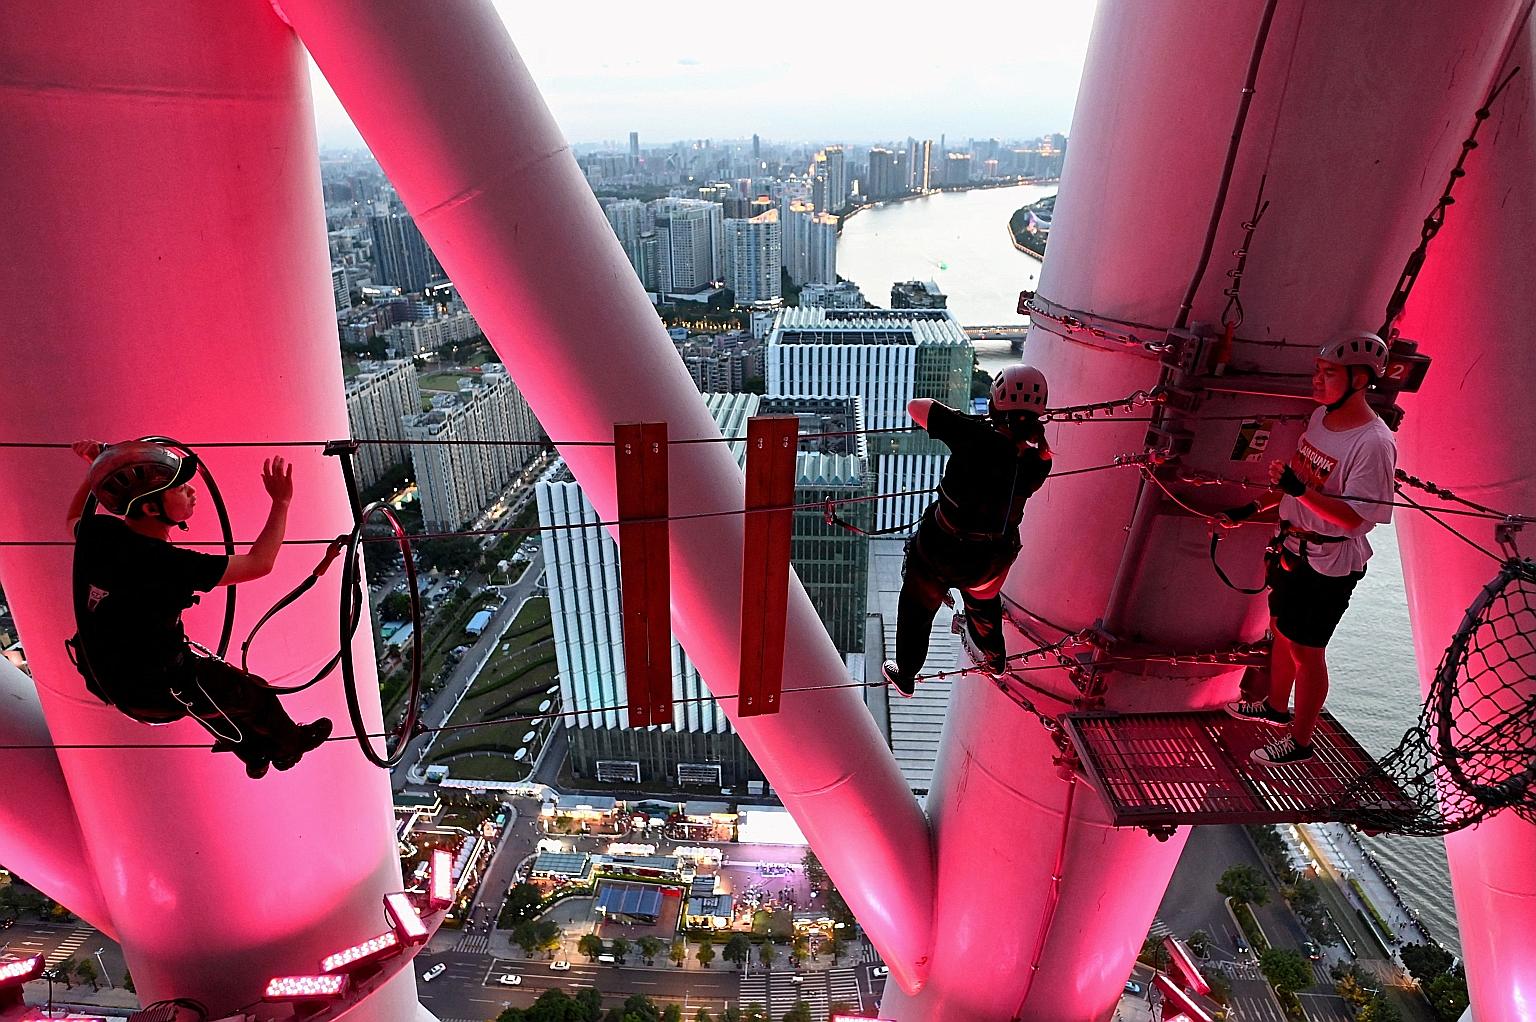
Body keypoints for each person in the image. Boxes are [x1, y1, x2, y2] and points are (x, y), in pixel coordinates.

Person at [67, 439, 332, 779]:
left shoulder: (98, 533)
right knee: (254, 695)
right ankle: (290, 746)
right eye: (179, 488)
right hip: (155, 684)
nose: (191, 491)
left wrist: (100, 469)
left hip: (106, 674)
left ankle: (254, 754)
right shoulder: (168, 563)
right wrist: (281, 502)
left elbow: (74, 517)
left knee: (215, 703)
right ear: (151, 509)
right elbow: (259, 563)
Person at [1222, 332, 1398, 766]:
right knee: (1282, 630)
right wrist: (1252, 507)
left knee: (1308, 651)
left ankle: (1301, 743)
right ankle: (1275, 707)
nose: (1317, 382)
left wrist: (1297, 491)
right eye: (1318, 372)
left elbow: (1358, 519)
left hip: (1329, 563)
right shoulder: (1321, 418)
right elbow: (1298, 481)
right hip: (1293, 547)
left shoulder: (1373, 444)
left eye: (1329, 374)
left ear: (1359, 380)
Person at [881, 365, 1054, 696]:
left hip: (939, 550)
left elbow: (916, 407)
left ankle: (906, 673)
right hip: (989, 561)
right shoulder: (1039, 462)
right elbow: (1019, 454)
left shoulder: (972, 434)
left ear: (994, 404)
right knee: (984, 606)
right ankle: (995, 657)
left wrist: (968, 421)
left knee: (918, 607)